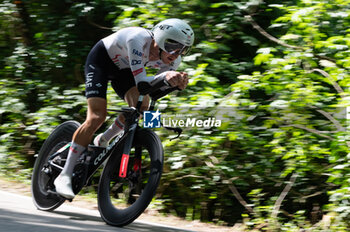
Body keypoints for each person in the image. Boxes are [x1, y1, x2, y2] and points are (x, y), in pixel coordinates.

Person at [53, 18, 195, 199]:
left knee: (142, 106)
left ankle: (103, 139)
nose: (176, 54)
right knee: (97, 117)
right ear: (159, 39)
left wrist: (175, 85)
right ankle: (64, 174)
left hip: (125, 70)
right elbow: (143, 84)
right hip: (101, 62)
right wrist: (167, 77)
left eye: (183, 49)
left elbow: (153, 94)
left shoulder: (173, 61)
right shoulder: (137, 39)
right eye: (174, 46)